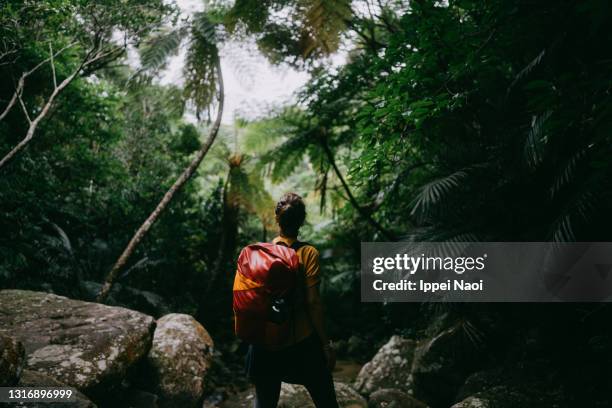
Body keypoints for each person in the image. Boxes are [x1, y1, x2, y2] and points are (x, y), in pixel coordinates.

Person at [245, 192, 339, 408]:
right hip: (300, 343)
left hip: (263, 345)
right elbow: (313, 303)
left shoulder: (259, 253)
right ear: (302, 221)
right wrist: (326, 344)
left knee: (264, 404)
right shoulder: (307, 253)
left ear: (277, 219)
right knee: (326, 401)